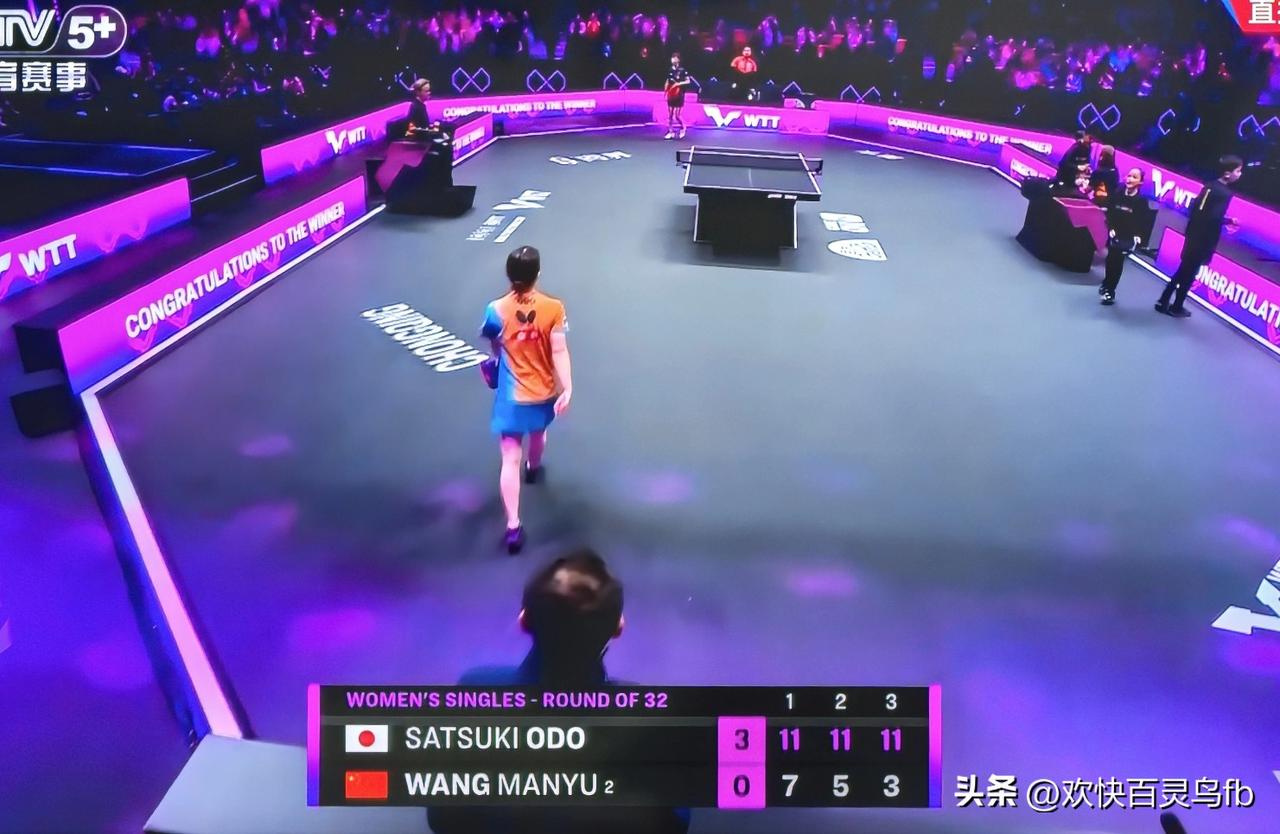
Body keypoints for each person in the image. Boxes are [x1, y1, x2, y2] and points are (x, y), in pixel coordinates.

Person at [426, 551, 691, 834]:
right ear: (618, 626)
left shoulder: (477, 690)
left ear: (524, 620)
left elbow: (443, 816)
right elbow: (672, 823)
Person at [480, 247, 572, 554]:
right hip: (542, 391)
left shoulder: (495, 309)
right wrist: (568, 387)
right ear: (538, 274)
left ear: (509, 275)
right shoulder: (554, 308)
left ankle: (513, 527)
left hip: (511, 395)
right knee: (538, 432)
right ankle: (533, 467)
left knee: (509, 457)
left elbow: (494, 343)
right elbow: (559, 350)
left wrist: (499, 356)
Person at [1155, 155, 1243, 318]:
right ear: (1227, 173)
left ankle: (1164, 300)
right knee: (1188, 274)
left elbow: (1196, 209)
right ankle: (1175, 306)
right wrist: (1229, 221)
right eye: (1238, 171)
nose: (1240, 174)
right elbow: (1213, 217)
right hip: (1203, 240)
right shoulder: (1225, 194)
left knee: (1183, 270)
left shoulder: (1209, 186)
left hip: (1193, 234)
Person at [1098, 167, 1150, 305]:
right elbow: (1110, 213)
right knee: (1110, 260)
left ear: (1140, 182)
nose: (1130, 179)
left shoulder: (1141, 201)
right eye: (1129, 176)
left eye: (1134, 177)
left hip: (1127, 236)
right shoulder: (1118, 194)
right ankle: (1106, 282)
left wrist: (1138, 235)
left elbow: (1143, 221)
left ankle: (1110, 291)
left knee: (1118, 262)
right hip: (1114, 232)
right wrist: (1110, 227)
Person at [663, 52, 690, 140]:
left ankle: (683, 128)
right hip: (671, 93)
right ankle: (670, 132)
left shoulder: (683, 70)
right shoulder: (670, 70)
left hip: (679, 94)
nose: (673, 60)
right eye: (672, 58)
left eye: (675, 58)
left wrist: (678, 84)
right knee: (670, 114)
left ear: (678, 60)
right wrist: (665, 90)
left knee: (677, 115)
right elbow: (668, 80)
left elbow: (688, 81)